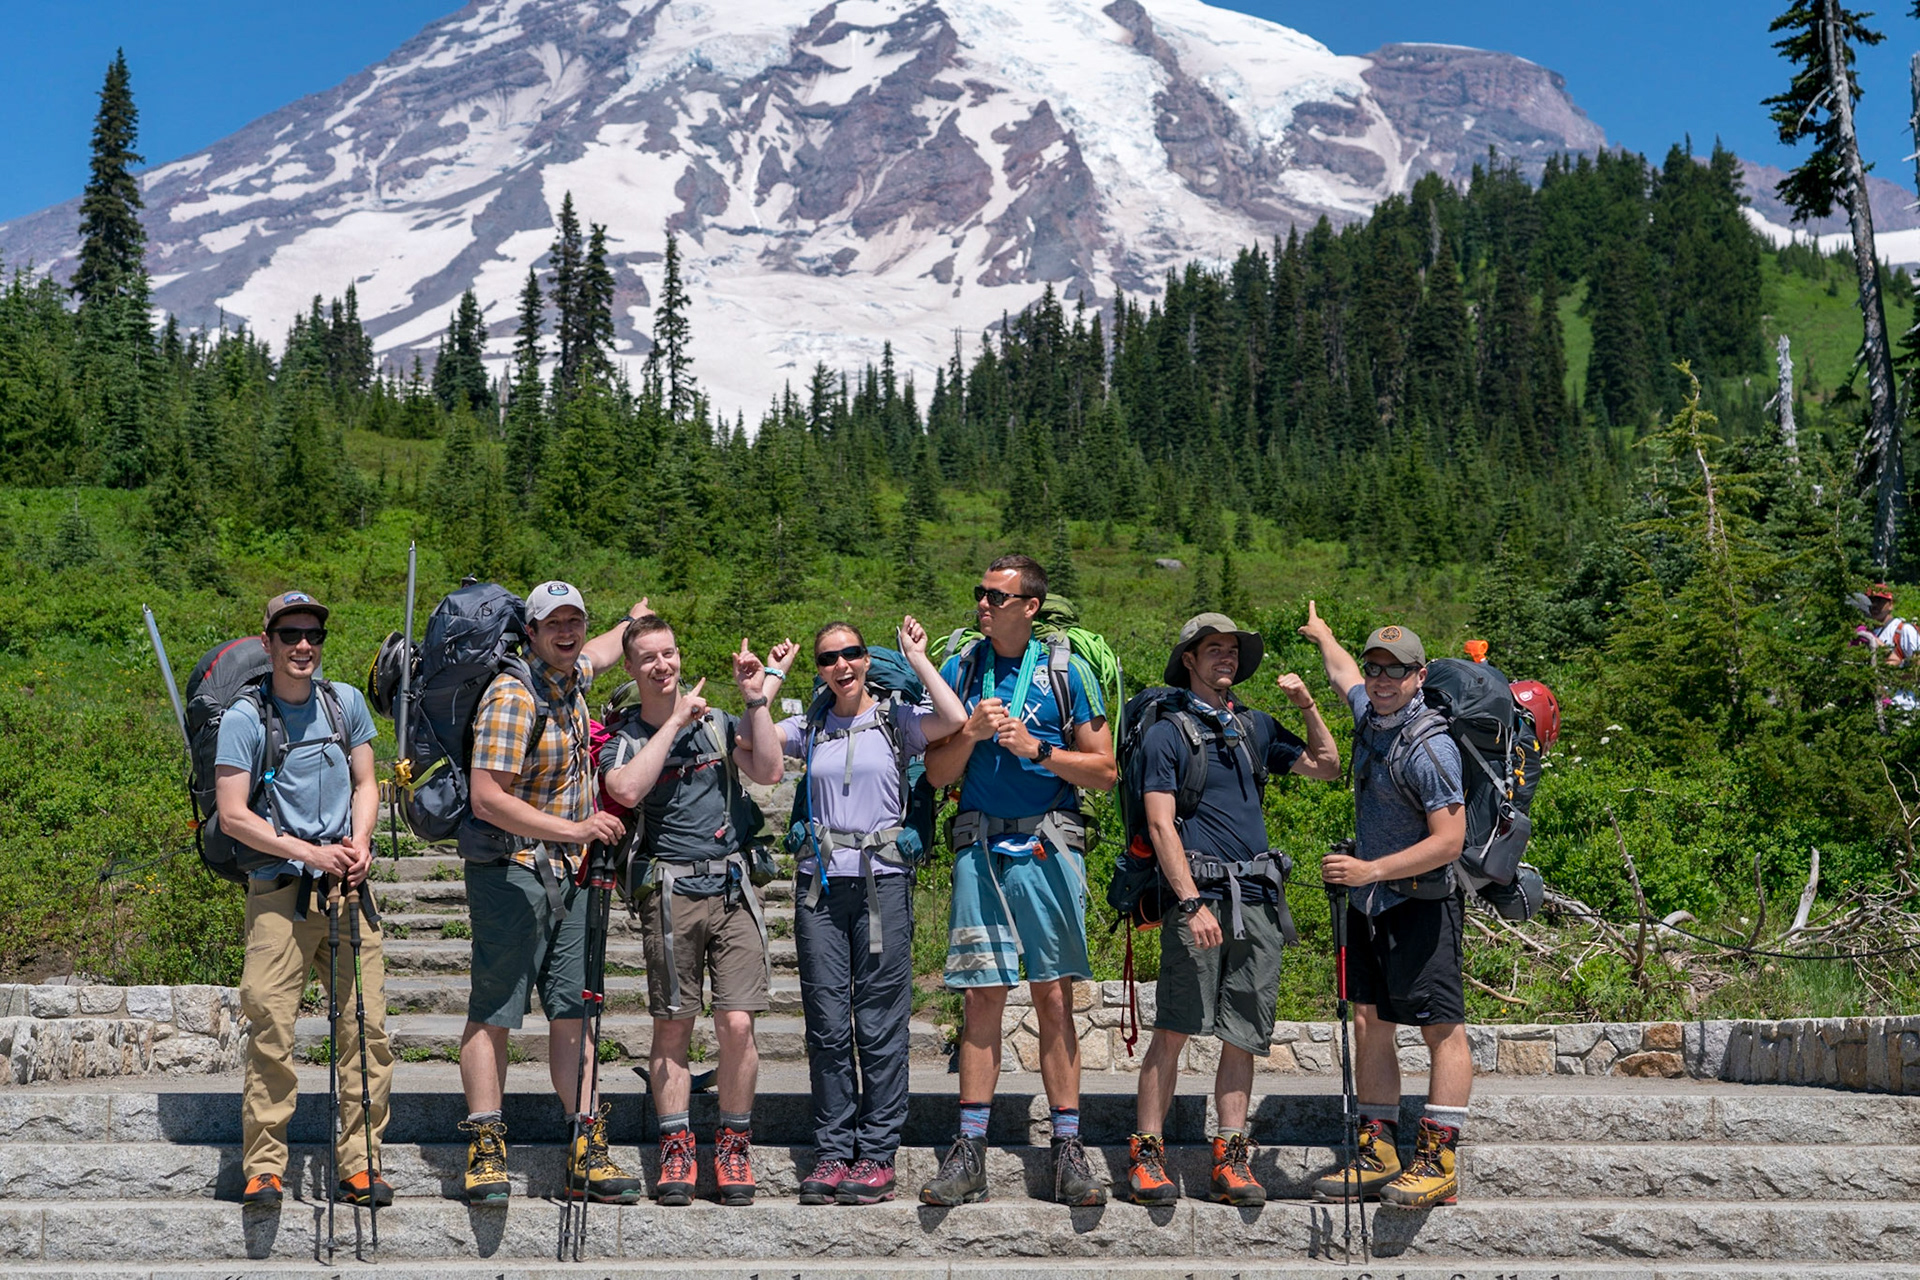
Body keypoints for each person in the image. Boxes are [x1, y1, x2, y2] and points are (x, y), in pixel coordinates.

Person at [919, 554, 1116, 1207]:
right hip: (979, 843)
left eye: (996, 597)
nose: (982, 604)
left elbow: (1105, 770)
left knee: (1053, 999)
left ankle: (1067, 1151)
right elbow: (939, 775)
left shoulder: (1068, 673)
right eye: (979, 593)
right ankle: (968, 1151)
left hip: (1046, 842)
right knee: (981, 997)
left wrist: (1037, 750)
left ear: (1029, 606)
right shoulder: (963, 669)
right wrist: (970, 735)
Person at [1125, 613, 1340, 1207]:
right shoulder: (1166, 732)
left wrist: (1305, 706)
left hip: (1259, 900)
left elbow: (1327, 766)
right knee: (1173, 1029)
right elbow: (1160, 823)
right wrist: (1191, 901)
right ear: (1188, 659)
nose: (1226, 657)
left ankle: (1231, 1156)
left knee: (1244, 1035)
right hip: (1200, 900)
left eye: (1233, 650)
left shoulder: (1255, 725)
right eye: (1212, 648)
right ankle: (1147, 1155)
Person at [456, 583, 648, 1206]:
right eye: (553, 624)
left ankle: (586, 1146)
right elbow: (487, 796)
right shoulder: (514, 695)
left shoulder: (572, 677)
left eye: (575, 621)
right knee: (496, 1010)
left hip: (572, 873)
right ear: (530, 633)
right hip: (513, 872)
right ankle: (485, 1148)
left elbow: (599, 650)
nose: (567, 633)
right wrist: (576, 829)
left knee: (574, 1010)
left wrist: (632, 622)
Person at [771, 618, 967, 1206]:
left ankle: (876, 1154)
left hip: (883, 885)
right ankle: (833, 1150)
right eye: (829, 657)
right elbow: (753, 745)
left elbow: (954, 722)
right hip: (822, 888)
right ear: (820, 668)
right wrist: (770, 681)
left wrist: (919, 658)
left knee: (880, 1023)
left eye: (852, 653)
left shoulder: (896, 719)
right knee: (828, 1024)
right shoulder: (809, 726)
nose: (843, 664)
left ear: (864, 658)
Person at [600, 615, 785, 1207]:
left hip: (731, 889)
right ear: (630, 668)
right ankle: (676, 1145)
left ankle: (733, 1141)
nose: (663, 665)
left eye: (670, 654)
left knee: (737, 1023)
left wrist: (757, 701)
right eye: (649, 657)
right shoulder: (622, 736)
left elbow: (769, 770)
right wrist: (675, 720)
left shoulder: (717, 725)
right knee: (673, 1026)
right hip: (671, 895)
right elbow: (626, 791)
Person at [216, 591, 390, 1209]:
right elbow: (234, 816)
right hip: (279, 894)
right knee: (271, 1029)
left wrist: (360, 840)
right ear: (267, 643)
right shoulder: (244, 719)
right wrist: (309, 851)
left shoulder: (345, 704)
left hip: (348, 890)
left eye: (312, 633)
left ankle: (361, 1163)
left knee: (365, 1031)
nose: (302, 645)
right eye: (289, 634)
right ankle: (264, 1168)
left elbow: (367, 782)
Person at [1298, 602, 1469, 1209]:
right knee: (1370, 1021)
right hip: (1371, 907)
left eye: (1394, 671)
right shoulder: (1370, 713)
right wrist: (1323, 635)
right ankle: (1380, 1149)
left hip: (1420, 903)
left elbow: (1450, 841)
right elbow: (1342, 674)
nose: (1380, 679)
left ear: (1420, 676)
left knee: (1440, 1029)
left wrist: (1370, 869)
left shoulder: (1430, 748)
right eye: (1376, 668)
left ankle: (1439, 1160)